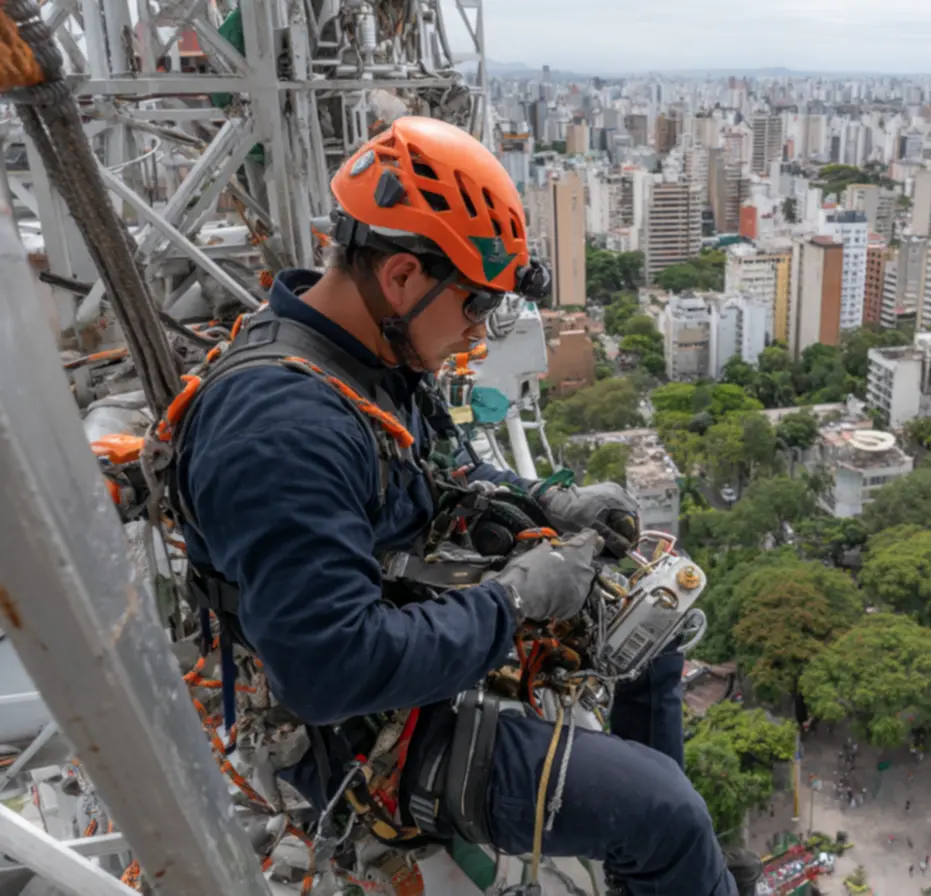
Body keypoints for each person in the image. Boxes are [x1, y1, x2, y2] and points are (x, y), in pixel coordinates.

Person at [170, 117, 759, 896]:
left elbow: (441, 471)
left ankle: (649, 869)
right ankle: (657, 843)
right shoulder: (281, 431)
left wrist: (550, 502)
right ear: (402, 275)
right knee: (667, 815)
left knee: (651, 630)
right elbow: (330, 670)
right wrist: (514, 601)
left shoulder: (366, 357)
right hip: (360, 737)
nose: (478, 330)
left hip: (419, 629)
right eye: (475, 303)